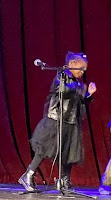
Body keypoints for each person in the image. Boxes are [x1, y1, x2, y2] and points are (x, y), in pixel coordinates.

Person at [18, 52, 96, 192]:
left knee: (68, 151)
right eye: (81, 68)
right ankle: (28, 174)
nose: (83, 72)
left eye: (85, 70)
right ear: (72, 64)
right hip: (56, 119)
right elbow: (64, 90)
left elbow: (80, 101)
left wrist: (88, 94)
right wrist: (80, 89)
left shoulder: (77, 83)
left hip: (71, 121)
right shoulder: (62, 76)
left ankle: (65, 180)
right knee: (45, 148)